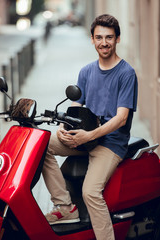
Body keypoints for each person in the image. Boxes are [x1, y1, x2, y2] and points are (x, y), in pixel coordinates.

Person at [42, 14, 138, 240]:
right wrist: (65, 128)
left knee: (90, 193)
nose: (104, 42)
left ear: (117, 39)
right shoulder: (86, 71)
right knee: (42, 144)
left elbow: (121, 118)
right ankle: (65, 207)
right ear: (92, 40)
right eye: (99, 37)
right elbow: (76, 107)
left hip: (111, 143)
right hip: (84, 137)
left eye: (109, 37)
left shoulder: (126, 73)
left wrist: (90, 136)